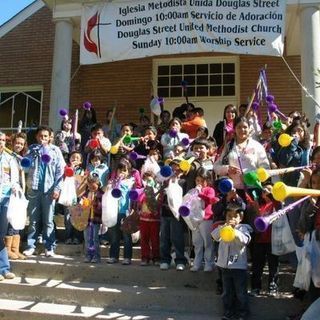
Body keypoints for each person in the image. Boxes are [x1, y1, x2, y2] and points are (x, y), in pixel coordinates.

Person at [23, 125, 65, 257]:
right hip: (34, 189)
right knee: (33, 220)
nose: (43, 139)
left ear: (50, 137)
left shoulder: (55, 150)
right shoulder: (31, 149)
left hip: (49, 190)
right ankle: (31, 246)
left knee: (48, 220)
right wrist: (32, 154)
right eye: (40, 136)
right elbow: (24, 167)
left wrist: (57, 189)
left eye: (45, 136)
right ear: (37, 137)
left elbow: (60, 171)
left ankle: (49, 246)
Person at [213, 116, 270, 201]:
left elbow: (265, 168)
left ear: (249, 128)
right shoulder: (229, 146)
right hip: (233, 191)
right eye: (239, 127)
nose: (242, 130)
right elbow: (216, 166)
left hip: (254, 190)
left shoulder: (257, 146)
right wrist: (227, 169)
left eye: (245, 127)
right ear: (234, 129)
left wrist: (252, 176)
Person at [211, 204, 252, 320]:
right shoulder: (223, 227)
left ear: (241, 218)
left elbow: (245, 240)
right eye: (229, 216)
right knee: (227, 293)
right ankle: (228, 313)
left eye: (235, 216)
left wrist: (235, 231)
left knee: (240, 293)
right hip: (224, 266)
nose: (232, 219)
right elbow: (214, 237)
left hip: (238, 267)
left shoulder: (243, 228)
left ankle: (243, 314)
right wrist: (222, 228)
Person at [250, 184, 280, 297]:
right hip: (259, 240)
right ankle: (256, 287)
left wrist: (272, 196)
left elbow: (279, 207)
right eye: (264, 190)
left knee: (273, 264)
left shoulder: (275, 204)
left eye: (269, 190)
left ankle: (273, 286)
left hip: (272, 239)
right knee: (257, 264)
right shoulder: (260, 205)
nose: (265, 191)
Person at [106, 157, 137, 265]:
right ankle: (113, 256)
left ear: (128, 172)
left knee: (126, 236)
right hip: (114, 212)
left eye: (124, 170)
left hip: (126, 212)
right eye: (120, 170)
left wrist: (133, 209)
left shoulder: (131, 182)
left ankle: (127, 257)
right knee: (114, 236)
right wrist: (112, 184)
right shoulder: (112, 181)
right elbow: (107, 192)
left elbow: (134, 197)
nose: (121, 172)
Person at [159, 158, 188, 271]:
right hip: (165, 213)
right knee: (164, 237)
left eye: (178, 169)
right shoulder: (165, 180)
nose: (175, 171)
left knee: (177, 238)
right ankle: (165, 260)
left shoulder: (184, 182)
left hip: (177, 214)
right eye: (173, 169)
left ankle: (180, 260)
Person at [5, 133, 28, 260]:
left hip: (20, 192)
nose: (18, 145)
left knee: (18, 219)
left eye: (21, 143)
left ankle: (15, 249)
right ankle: (8, 249)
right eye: (17, 143)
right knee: (10, 219)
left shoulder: (22, 158)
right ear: (12, 143)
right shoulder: (8, 157)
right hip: (10, 191)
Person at [190, 167, 218, 272]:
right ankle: (197, 263)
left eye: (203, 181)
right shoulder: (194, 190)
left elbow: (211, 200)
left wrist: (200, 193)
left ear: (208, 181)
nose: (200, 183)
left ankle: (209, 263)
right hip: (195, 219)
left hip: (207, 218)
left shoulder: (210, 190)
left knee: (208, 242)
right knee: (197, 242)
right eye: (198, 180)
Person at [0, 131, 19, 281]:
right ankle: (3, 268)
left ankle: (4, 269)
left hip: (5, 199)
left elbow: (15, 180)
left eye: (2, 139)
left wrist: (15, 188)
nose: (0, 142)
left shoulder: (10, 159)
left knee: (1, 234)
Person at [138, 170, 161, 266]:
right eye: (146, 180)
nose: (148, 181)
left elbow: (159, 203)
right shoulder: (141, 191)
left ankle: (156, 257)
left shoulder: (158, 190)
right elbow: (139, 202)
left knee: (155, 239)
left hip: (154, 220)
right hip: (143, 219)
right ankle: (145, 257)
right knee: (144, 239)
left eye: (150, 179)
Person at [82, 174, 103, 263]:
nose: (90, 186)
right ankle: (88, 255)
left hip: (95, 219)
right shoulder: (86, 193)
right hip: (86, 220)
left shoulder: (101, 194)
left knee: (95, 239)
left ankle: (96, 256)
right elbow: (81, 206)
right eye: (89, 184)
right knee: (87, 239)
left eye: (93, 184)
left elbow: (101, 208)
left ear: (98, 184)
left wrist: (92, 204)